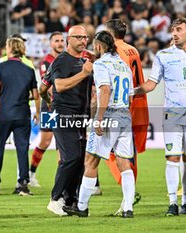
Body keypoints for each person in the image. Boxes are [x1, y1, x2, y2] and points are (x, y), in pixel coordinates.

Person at [135, 17, 186, 216]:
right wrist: (131, 91)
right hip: (172, 115)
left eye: (179, 29)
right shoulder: (163, 55)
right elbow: (151, 84)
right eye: (173, 30)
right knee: (172, 158)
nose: (174, 33)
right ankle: (173, 202)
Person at [63, 30, 135, 218]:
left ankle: (81, 207)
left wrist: (100, 118)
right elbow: (130, 95)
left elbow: (104, 89)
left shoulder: (101, 63)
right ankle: (128, 208)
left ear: (98, 46)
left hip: (109, 114)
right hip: (125, 115)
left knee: (91, 160)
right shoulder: (124, 65)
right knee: (124, 163)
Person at [46, 25, 93, 216]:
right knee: (71, 156)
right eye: (79, 37)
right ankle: (55, 199)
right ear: (69, 39)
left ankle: (70, 200)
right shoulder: (62, 61)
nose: (83, 41)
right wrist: (83, 73)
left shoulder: (85, 60)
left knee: (79, 160)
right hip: (63, 115)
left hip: (80, 116)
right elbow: (59, 85)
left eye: (85, 37)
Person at [0, 37, 39, 196]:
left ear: (9, 48)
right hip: (22, 114)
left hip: (4, 114)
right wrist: (37, 111)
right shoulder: (29, 69)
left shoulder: (1, 67)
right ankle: (23, 185)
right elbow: (35, 95)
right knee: (22, 149)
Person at [104, 18, 149, 208]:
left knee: (107, 150)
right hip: (140, 104)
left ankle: (129, 192)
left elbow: (120, 81)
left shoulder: (116, 52)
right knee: (129, 154)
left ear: (110, 33)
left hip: (124, 106)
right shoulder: (133, 49)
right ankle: (127, 197)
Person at [29, 31, 64, 187]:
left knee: (63, 142)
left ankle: (64, 179)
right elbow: (47, 86)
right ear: (51, 44)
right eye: (56, 40)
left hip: (64, 107)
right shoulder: (46, 62)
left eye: (62, 40)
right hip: (49, 105)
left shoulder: (66, 60)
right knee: (45, 141)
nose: (60, 43)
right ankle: (31, 173)